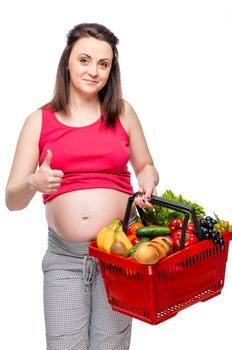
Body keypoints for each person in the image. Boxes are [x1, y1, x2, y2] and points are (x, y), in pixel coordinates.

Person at [5, 23, 159, 350]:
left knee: (112, 346)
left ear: (111, 71)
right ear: (68, 62)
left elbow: (145, 165)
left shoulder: (123, 113)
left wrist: (148, 181)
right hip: (65, 259)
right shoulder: (38, 121)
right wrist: (34, 182)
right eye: (85, 60)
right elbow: (12, 200)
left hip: (120, 255)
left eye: (103, 64)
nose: (93, 71)